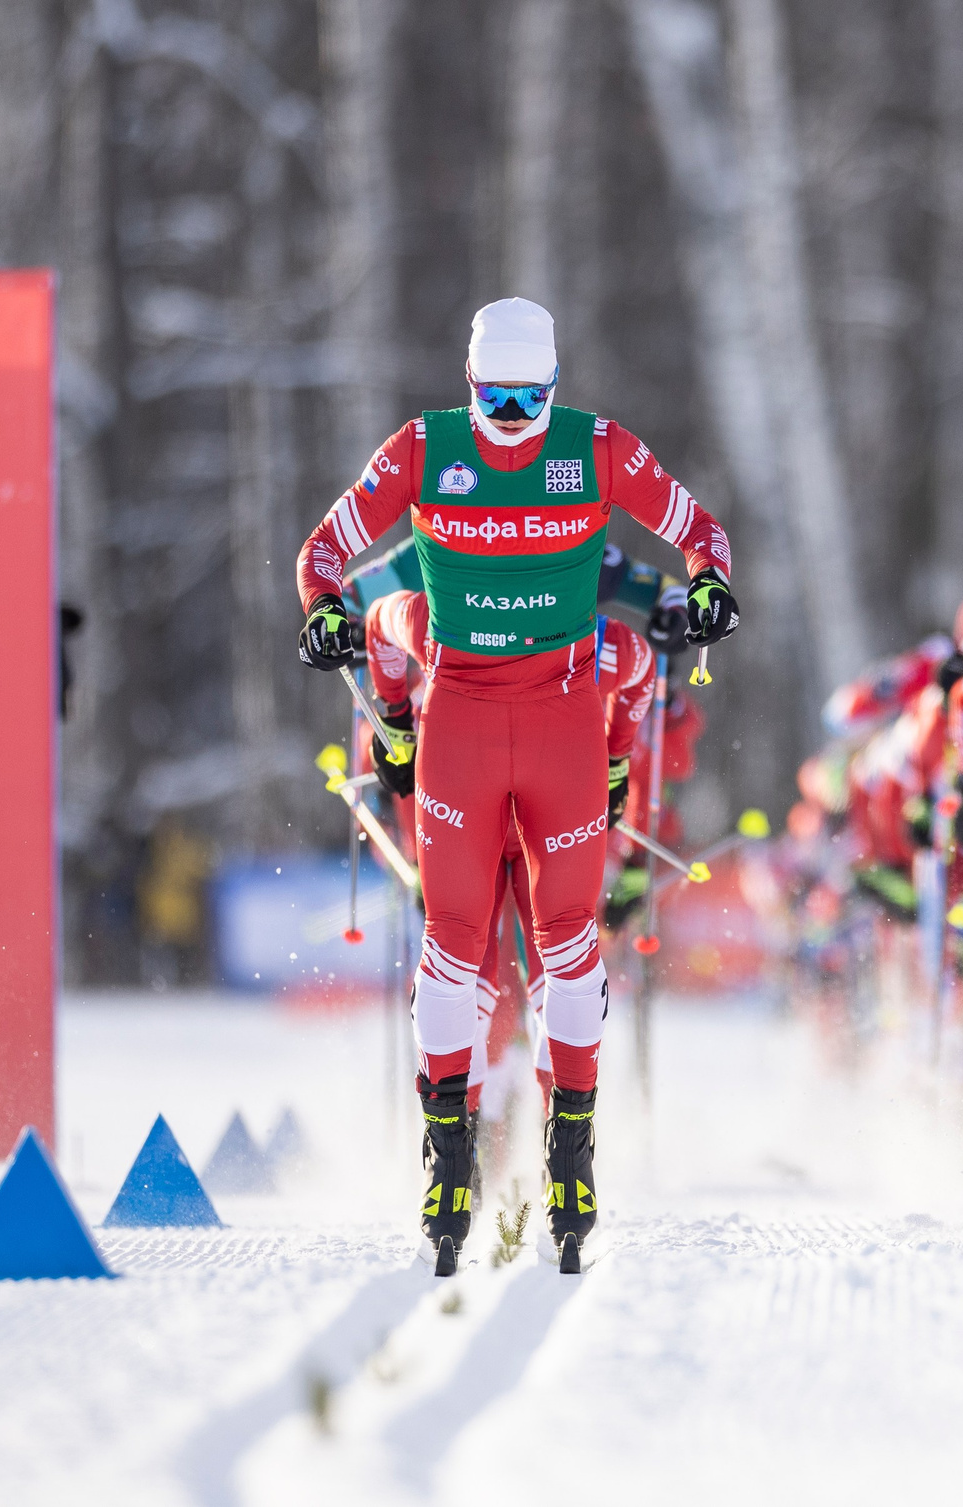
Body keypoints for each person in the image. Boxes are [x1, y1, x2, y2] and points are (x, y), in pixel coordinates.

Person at [295, 296, 738, 1274]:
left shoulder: (598, 451)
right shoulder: (421, 453)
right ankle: (449, 1154)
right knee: (456, 951)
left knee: (567, 949)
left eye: (526, 400)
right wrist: (335, 628)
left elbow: (698, 537)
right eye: (491, 398)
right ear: (467, 384)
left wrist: (701, 590)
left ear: (554, 388)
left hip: (561, 725)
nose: (506, 420)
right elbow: (325, 559)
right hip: (454, 725)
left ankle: (570, 1156)